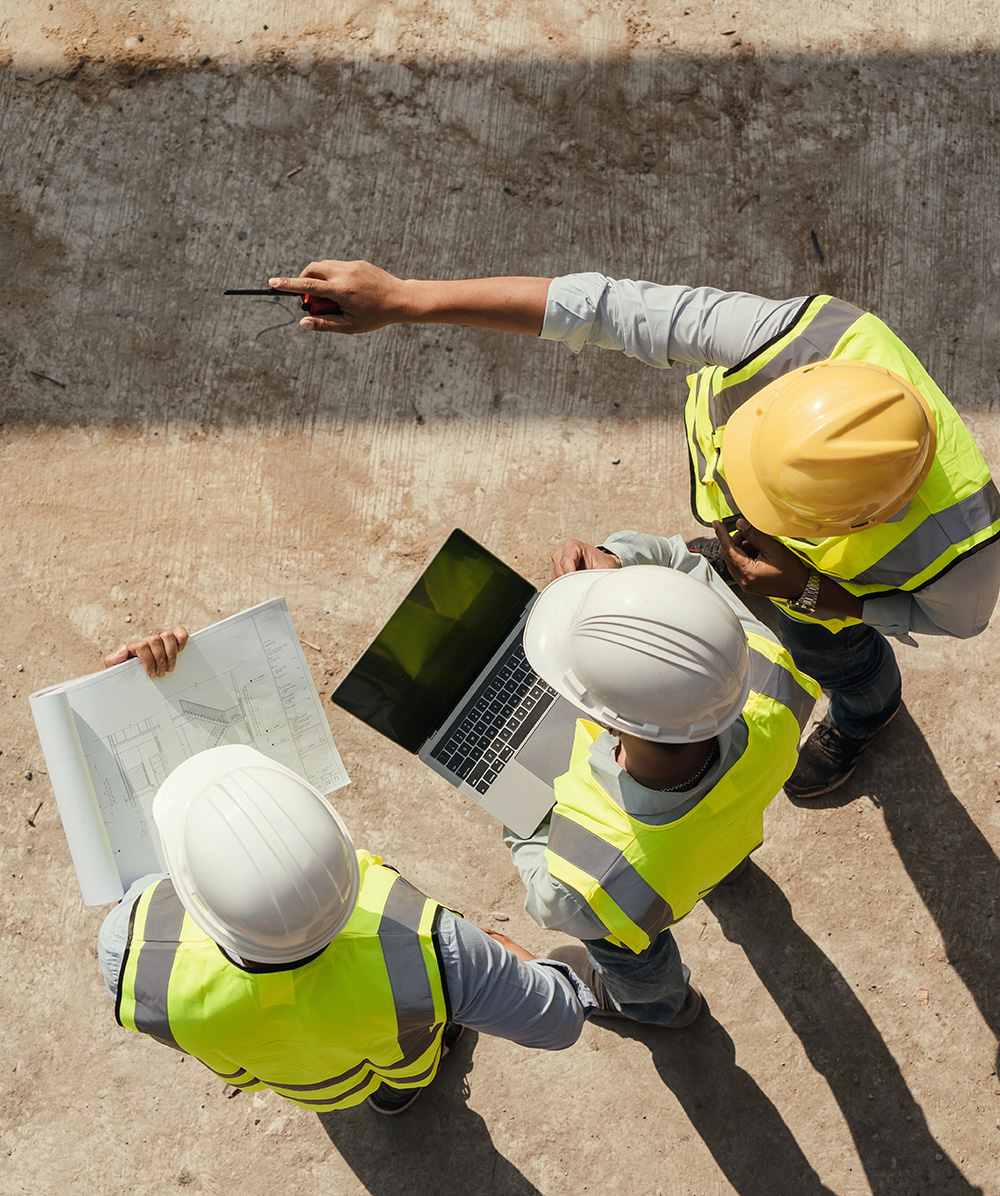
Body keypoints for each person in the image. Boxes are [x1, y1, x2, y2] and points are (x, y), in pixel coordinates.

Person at [267, 261, 1000, 797]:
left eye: (763, 506)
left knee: (842, 661)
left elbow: (949, 624)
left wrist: (816, 597)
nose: (733, 505)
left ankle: (869, 715)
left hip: (818, 601)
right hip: (796, 569)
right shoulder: (796, 338)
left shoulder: (964, 555)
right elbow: (600, 307)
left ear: (862, 517)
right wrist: (405, 298)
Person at [99, 631, 596, 1116]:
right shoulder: (435, 949)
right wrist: (487, 951)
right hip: (399, 1059)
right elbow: (559, 1018)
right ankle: (397, 1094)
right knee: (403, 1069)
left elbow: (136, 874)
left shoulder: (129, 952)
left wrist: (126, 698)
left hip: (299, 1082)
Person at [506, 533, 819, 1024]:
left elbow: (549, 901)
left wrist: (517, 815)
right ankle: (725, 873)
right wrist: (619, 566)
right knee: (710, 848)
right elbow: (685, 568)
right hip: (719, 836)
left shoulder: (590, 882)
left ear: (605, 722)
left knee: (626, 951)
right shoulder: (767, 675)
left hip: (643, 893)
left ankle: (660, 1007)